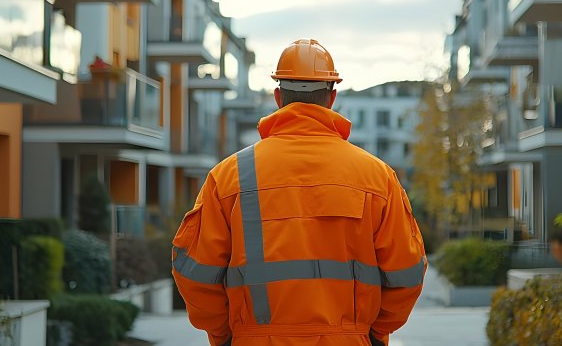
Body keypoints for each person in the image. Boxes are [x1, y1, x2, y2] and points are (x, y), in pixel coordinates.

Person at [172, 39, 426, 346]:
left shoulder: (228, 177)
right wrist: (370, 333)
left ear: (278, 96)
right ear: (332, 97)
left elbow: (195, 274)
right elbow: (407, 272)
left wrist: (226, 335)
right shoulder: (378, 177)